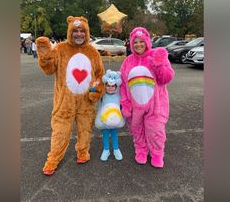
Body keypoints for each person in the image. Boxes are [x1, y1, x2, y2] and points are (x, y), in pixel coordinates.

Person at [36, 16, 105, 175]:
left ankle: (83, 152)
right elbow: (48, 70)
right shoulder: (60, 49)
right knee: (60, 132)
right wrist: (45, 55)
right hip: (64, 102)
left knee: (85, 129)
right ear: (70, 32)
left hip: (86, 102)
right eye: (75, 31)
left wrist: (97, 90)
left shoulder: (93, 52)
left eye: (82, 31)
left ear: (87, 33)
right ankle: (53, 159)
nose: (79, 34)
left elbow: (99, 75)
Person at [120, 27, 175, 168]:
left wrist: (158, 65)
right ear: (131, 44)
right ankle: (141, 150)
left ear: (147, 41)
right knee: (137, 130)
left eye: (141, 41)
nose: (138, 44)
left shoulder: (156, 55)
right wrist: (125, 103)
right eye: (135, 42)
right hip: (135, 105)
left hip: (155, 105)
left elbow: (166, 78)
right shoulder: (127, 61)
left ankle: (157, 154)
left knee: (155, 130)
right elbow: (123, 85)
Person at [94, 70, 124, 161]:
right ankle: (106, 150)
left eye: (112, 86)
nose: (110, 88)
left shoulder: (119, 95)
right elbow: (93, 91)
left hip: (115, 121)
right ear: (105, 86)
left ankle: (116, 149)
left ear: (116, 86)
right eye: (108, 86)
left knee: (115, 134)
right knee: (105, 135)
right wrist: (95, 85)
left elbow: (123, 105)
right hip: (104, 121)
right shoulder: (102, 95)